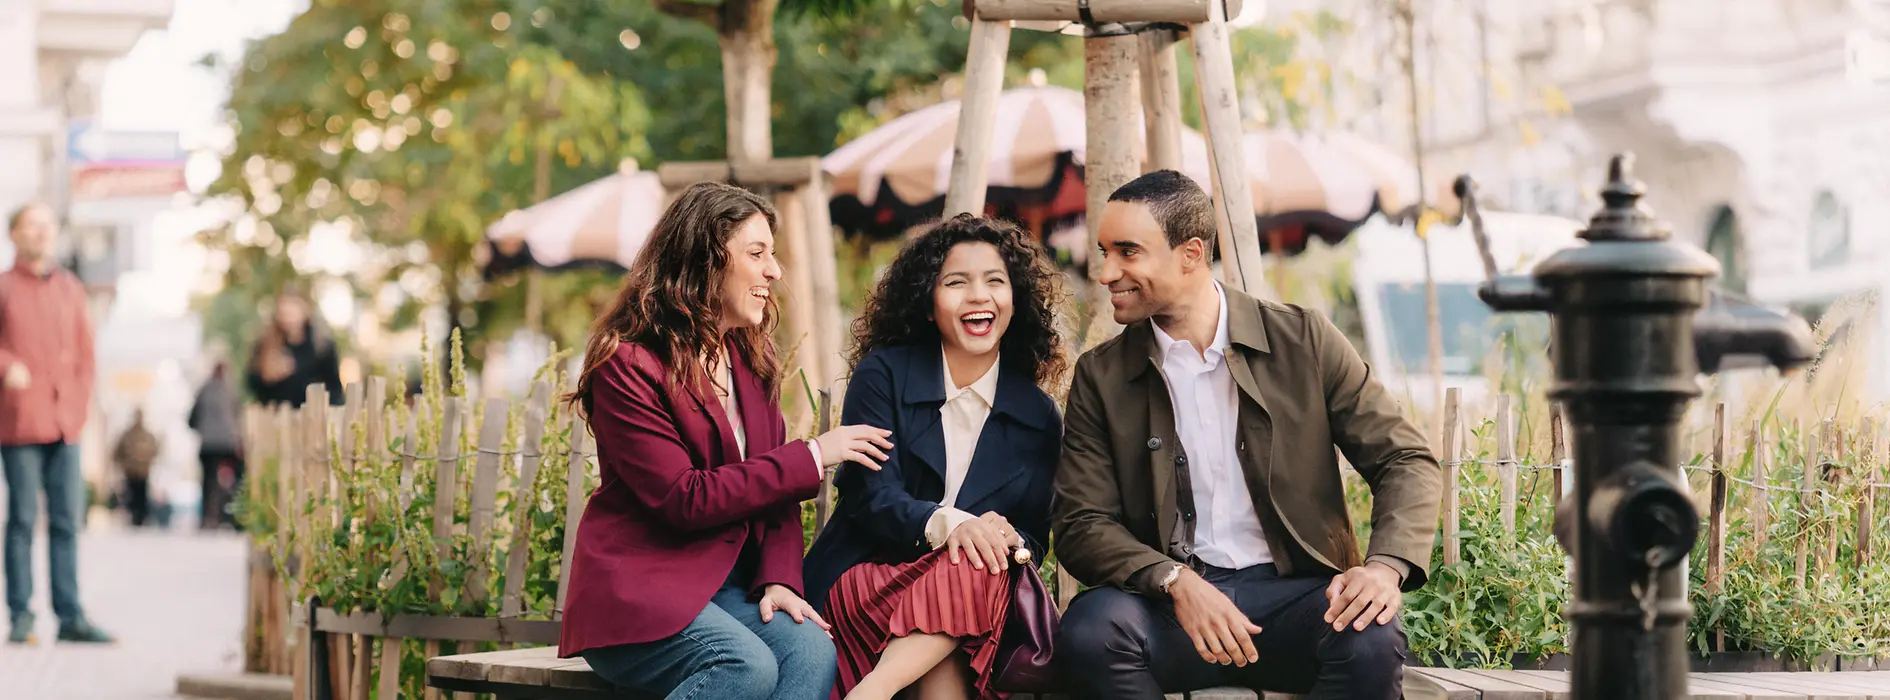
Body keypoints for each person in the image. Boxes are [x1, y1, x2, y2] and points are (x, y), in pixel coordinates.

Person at [1051, 171, 1443, 700]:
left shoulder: (1303, 339)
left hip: (1297, 602)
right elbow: (1081, 522)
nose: (1106, 272)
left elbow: (1404, 460)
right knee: (1092, 632)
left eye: (1127, 252)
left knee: (1369, 635)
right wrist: (1175, 581)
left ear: (1191, 253)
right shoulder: (1101, 375)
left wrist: (1384, 568)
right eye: (1104, 251)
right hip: (1170, 610)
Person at [559, 181, 895, 700]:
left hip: (726, 593)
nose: (774, 272)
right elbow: (682, 498)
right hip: (638, 596)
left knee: (810, 649)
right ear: (704, 260)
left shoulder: (750, 361)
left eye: (774, 255)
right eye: (756, 254)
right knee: (744, 665)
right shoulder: (627, 365)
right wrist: (810, 455)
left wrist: (779, 578)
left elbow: (774, 496)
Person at [804, 216, 1069, 700]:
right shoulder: (883, 376)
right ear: (927, 305)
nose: (978, 296)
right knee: (974, 561)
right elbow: (870, 497)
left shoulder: (1037, 416)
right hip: (870, 581)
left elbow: (1033, 534)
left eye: (994, 281)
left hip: (969, 595)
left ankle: (872, 692)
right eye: (955, 283)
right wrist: (951, 525)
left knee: (983, 559)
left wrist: (1009, 537)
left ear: (1015, 301)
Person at [0, 202, 113, 645]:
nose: (41, 233)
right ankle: (21, 615)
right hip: (20, 423)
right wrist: (7, 365)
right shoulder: (5, 288)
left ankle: (70, 617)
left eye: (47, 226)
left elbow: (87, 355)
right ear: (14, 234)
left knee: (67, 521)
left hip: (67, 422)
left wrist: (81, 406)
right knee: (24, 519)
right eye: (32, 225)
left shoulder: (70, 288)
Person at [246, 289, 343, 408]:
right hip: (277, 416)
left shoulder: (321, 345)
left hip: (313, 414)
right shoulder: (266, 343)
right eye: (284, 313)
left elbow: (334, 388)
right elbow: (252, 383)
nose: (288, 318)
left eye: (292, 312)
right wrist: (268, 377)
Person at [189, 361, 244, 531]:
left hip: (208, 444)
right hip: (227, 443)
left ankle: (208, 517)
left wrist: (201, 429)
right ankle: (227, 515)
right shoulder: (231, 391)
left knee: (207, 480)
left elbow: (192, 417)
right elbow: (238, 415)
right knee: (231, 478)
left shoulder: (203, 390)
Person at [112, 409, 161, 528]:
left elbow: (155, 451)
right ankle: (135, 516)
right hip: (131, 472)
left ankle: (142, 516)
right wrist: (124, 464)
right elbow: (117, 452)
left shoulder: (147, 435)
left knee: (142, 495)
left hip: (143, 472)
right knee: (132, 495)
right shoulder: (128, 435)